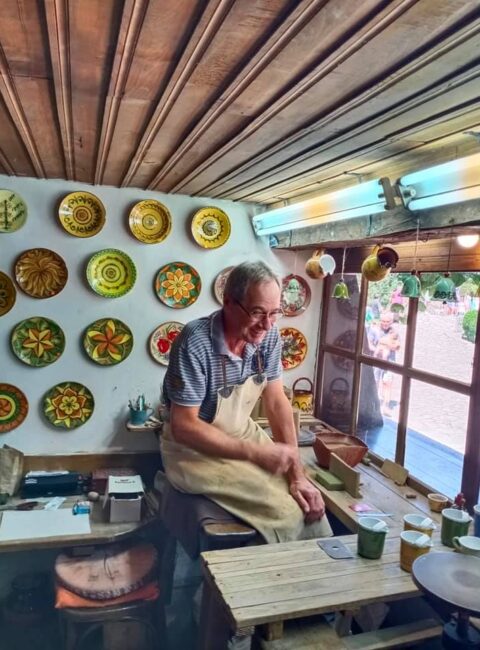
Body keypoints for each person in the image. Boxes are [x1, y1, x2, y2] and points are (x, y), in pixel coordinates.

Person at [160, 261, 331, 543]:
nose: (267, 324)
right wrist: (253, 453)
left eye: (274, 313)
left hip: (241, 433)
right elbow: (183, 426)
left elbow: (276, 402)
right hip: (192, 450)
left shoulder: (269, 336)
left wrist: (297, 474)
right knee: (287, 513)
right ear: (228, 302)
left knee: (310, 502)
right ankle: (263, 572)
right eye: (257, 312)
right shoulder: (195, 341)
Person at [371, 311, 401, 417]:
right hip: (376, 360)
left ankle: (386, 406)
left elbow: (397, 347)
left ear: (391, 322)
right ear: (380, 321)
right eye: (383, 321)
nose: (385, 323)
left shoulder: (394, 333)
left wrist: (388, 345)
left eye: (387, 321)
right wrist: (378, 349)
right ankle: (373, 404)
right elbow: (369, 344)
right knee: (375, 381)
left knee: (387, 383)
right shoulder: (374, 330)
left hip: (390, 362)